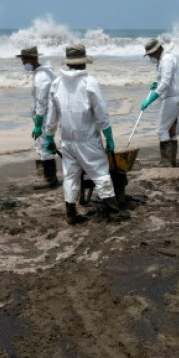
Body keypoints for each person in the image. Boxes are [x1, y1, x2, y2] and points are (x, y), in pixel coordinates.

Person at [44, 44, 127, 225]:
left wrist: (49, 136)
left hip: (67, 140)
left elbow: (52, 114)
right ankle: (113, 211)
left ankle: (71, 213)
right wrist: (109, 137)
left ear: (68, 63)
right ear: (84, 62)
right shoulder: (90, 83)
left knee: (70, 176)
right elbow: (101, 113)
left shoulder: (57, 83)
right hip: (87, 139)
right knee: (100, 172)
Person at [16, 46, 59, 189]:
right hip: (44, 116)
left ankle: (50, 179)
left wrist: (38, 123)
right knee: (43, 145)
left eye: (24, 60)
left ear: (33, 59)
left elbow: (42, 102)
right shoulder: (40, 73)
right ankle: (48, 176)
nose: (23, 63)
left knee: (44, 146)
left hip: (45, 117)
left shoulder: (42, 76)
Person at [141, 38, 179, 167]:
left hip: (173, 98)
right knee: (171, 130)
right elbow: (166, 79)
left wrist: (151, 99)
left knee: (162, 130)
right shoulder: (166, 58)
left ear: (157, 50)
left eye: (150, 54)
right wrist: (157, 83)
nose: (150, 57)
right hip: (177, 98)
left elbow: (166, 83)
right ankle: (171, 162)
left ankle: (166, 163)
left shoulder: (166, 60)